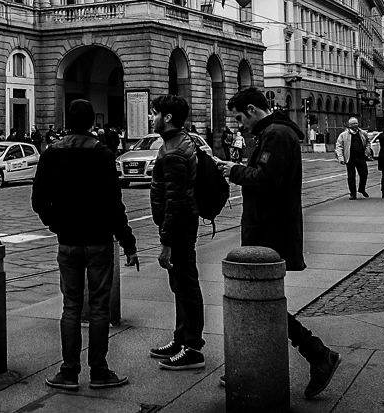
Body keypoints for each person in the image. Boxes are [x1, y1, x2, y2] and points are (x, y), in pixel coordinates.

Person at [222, 87, 341, 400]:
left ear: (251, 109)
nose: (239, 125)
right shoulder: (273, 132)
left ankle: (318, 353)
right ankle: (253, 362)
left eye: (239, 117)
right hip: (268, 226)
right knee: (262, 299)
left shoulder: (275, 134)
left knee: (262, 299)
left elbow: (265, 179)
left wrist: (231, 170)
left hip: (269, 230)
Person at [31, 98, 138, 391]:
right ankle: (100, 372)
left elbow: (38, 201)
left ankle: (68, 372)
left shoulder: (51, 154)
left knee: (71, 307)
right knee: (100, 308)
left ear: (67, 119)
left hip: (68, 243)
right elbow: (115, 205)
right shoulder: (103, 155)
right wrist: (128, 243)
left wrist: (58, 225)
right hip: (100, 241)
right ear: (93, 122)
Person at [148, 94, 207, 371]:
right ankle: (181, 338)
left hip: (180, 226)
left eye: (155, 113)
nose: (152, 118)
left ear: (168, 117)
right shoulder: (179, 141)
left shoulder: (173, 151)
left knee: (186, 284)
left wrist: (166, 243)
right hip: (183, 223)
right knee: (181, 285)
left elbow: (175, 201)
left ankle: (193, 347)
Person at [335, 117, 371, 199]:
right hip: (350, 158)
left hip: (361, 157)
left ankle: (361, 189)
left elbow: (368, 142)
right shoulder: (343, 135)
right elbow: (339, 146)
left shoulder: (363, 133)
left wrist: (367, 152)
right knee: (351, 177)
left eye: (356, 123)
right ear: (349, 125)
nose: (355, 125)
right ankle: (353, 193)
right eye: (353, 124)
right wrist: (341, 158)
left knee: (364, 174)